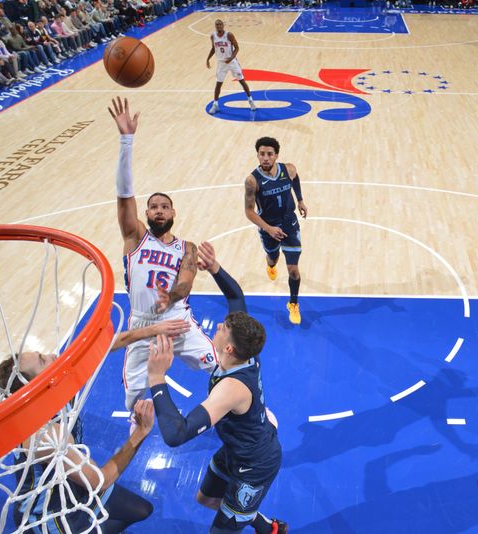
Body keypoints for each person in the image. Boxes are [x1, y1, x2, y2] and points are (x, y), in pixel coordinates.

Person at [0, 318, 188, 532]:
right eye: (42, 360)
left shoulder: (57, 383)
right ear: (34, 387)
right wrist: (140, 433)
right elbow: (101, 481)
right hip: (50, 514)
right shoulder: (46, 435)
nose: (53, 356)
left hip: (70, 480)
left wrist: (153, 329)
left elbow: (101, 347)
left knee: (142, 510)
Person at [108, 97, 218, 411]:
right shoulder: (135, 236)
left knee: (219, 366)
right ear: (146, 212)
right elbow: (123, 194)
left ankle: (242, 408)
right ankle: (136, 423)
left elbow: (185, 284)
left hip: (177, 320)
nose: (159, 210)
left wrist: (169, 297)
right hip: (142, 325)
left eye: (164, 206)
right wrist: (126, 140)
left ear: (173, 212)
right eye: (153, 206)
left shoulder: (187, 247)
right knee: (132, 399)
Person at [146, 314, 287, 533]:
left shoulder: (230, 389)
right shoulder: (246, 353)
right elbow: (236, 297)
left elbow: (176, 434)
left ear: (229, 348)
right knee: (207, 499)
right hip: (236, 449)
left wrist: (156, 378)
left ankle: (263, 525)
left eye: (223, 328)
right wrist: (215, 276)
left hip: (256, 464)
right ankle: (264, 525)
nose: (218, 325)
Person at [243, 137, 307, 325]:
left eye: (269, 154)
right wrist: (268, 229)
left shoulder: (289, 169)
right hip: (268, 228)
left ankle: (293, 303)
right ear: (257, 155)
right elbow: (248, 211)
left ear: (276, 155)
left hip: (290, 225)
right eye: (262, 154)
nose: (265, 158)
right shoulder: (252, 181)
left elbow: (295, 180)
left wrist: (300, 200)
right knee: (273, 258)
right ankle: (271, 265)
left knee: (293, 270)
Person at [206, 19, 256, 114]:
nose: (219, 26)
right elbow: (213, 48)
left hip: (232, 62)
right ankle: (215, 104)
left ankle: (251, 101)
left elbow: (237, 48)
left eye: (220, 24)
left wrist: (231, 58)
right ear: (215, 26)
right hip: (221, 63)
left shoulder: (229, 35)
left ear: (223, 25)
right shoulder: (213, 36)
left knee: (242, 81)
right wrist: (208, 59)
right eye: (217, 25)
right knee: (218, 84)